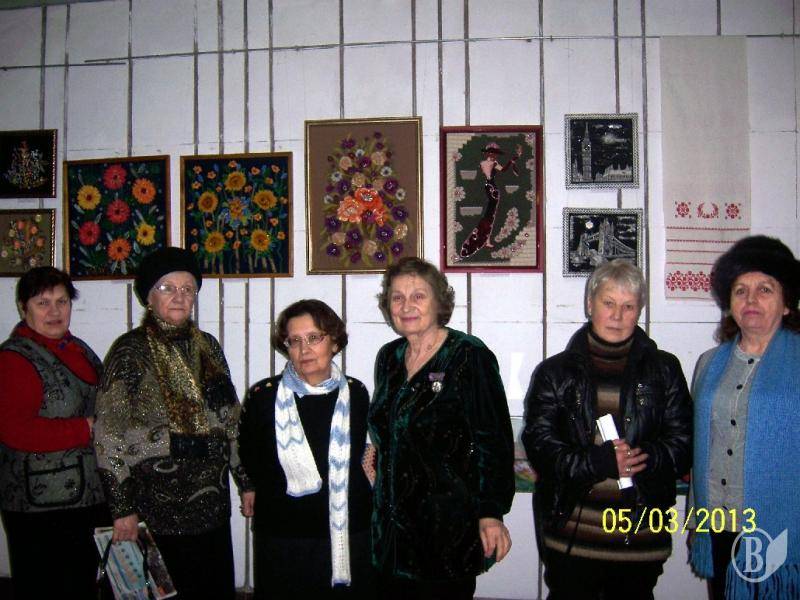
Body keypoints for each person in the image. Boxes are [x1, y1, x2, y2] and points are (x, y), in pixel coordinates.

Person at [522, 260, 692, 600]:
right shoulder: (554, 372)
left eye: (628, 306)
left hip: (640, 536)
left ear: (639, 310)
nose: (617, 315)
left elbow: (684, 444)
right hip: (572, 536)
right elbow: (539, 445)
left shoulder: (665, 369)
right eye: (608, 303)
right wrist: (598, 463)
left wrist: (644, 457)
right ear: (590, 304)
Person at [94, 247, 252, 599]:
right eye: (167, 288)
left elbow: (230, 418)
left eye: (187, 289)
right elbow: (108, 434)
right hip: (155, 506)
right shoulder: (130, 351)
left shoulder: (207, 347)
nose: (179, 296)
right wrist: (122, 508)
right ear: (149, 297)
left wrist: (246, 481)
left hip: (210, 505)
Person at [369, 256, 515, 599]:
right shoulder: (389, 358)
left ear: (439, 302)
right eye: (397, 297)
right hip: (391, 531)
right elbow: (391, 427)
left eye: (418, 296)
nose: (406, 306)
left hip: (446, 529)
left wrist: (491, 512)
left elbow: (493, 441)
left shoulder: (468, 356)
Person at [238, 299, 376, 598]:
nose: (305, 349)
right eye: (295, 341)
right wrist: (249, 487)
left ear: (334, 342)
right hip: (283, 532)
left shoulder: (357, 393)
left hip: (349, 528)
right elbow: (247, 453)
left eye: (314, 338)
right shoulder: (263, 396)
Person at [688, 235, 800, 599]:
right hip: (720, 521)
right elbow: (702, 443)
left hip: (784, 526)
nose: (751, 300)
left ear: (787, 303)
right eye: (740, 290)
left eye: (765, 289)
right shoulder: (709, 364)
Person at [0, 266, 107, 599]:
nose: (55, 311)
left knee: (81, 585)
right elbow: (14, 430)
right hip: (40, 508)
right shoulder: (14, 359)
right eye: (43, 303)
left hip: (83, 499)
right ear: (23, 308)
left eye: (62, 301)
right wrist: (85, 428)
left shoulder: (76, 348)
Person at [459, 142, 521, 258]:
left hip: (490, 188)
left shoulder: (486, 163)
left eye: (495, 153)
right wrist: (512, 160)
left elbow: (502, 170)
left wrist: (511, 161)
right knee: (489, 215)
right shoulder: (490, 163)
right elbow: (502, 170)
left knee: (490, 215)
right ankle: (484, 239)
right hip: (491, 188)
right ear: (488, 153)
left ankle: (486, 240)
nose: (493, 155)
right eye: (492, 153)